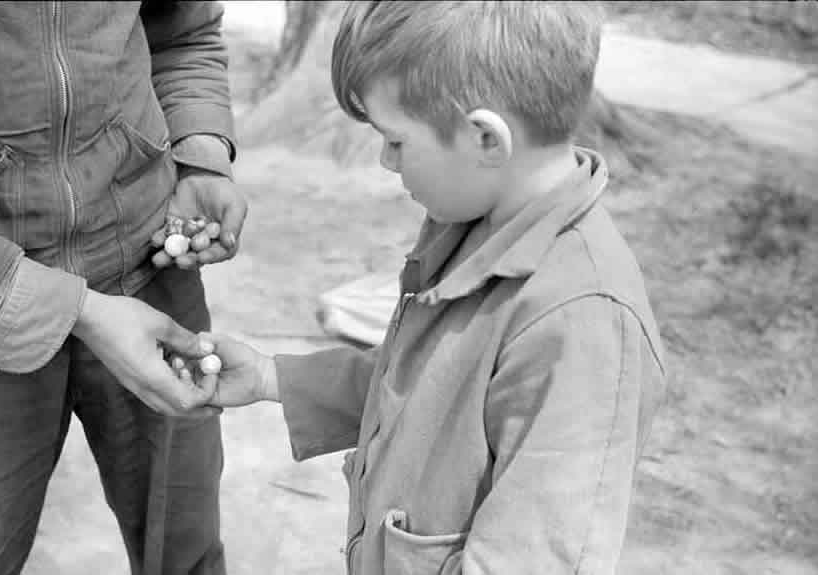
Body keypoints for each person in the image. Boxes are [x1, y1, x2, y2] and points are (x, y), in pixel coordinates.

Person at [198, 2, 667, 574]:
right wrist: (275, 377)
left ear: (485, 140)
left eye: (396, 141)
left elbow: (533, 560)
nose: (385, 160)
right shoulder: (479, 224)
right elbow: (425, 382)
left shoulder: (584, 325)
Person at [0, 2, 245, 574]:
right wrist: (76, 310)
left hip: (150, 266)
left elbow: (183, 33)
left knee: (184, 545)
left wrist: (201, 154)